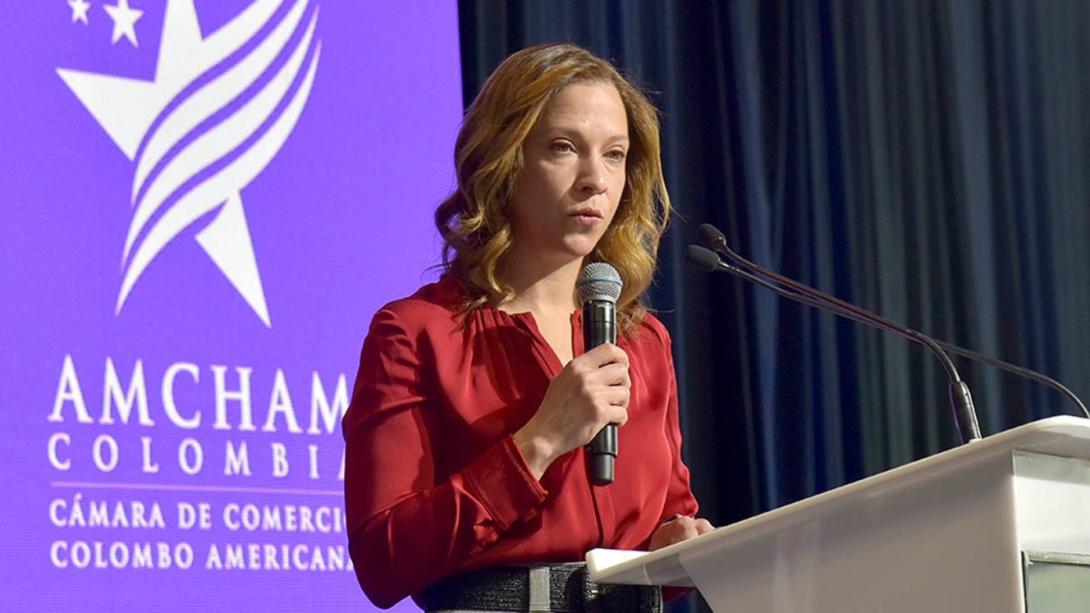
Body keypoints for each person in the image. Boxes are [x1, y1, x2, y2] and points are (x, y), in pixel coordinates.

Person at [342, 43, 714, 611]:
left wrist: (674, 549)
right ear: (505, 160)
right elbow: (383, 561)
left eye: (614, 155)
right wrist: (539, 441)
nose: (596, 179)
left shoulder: (644, 342)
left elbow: (669, 515)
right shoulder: (417, 334)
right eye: (564, 148)